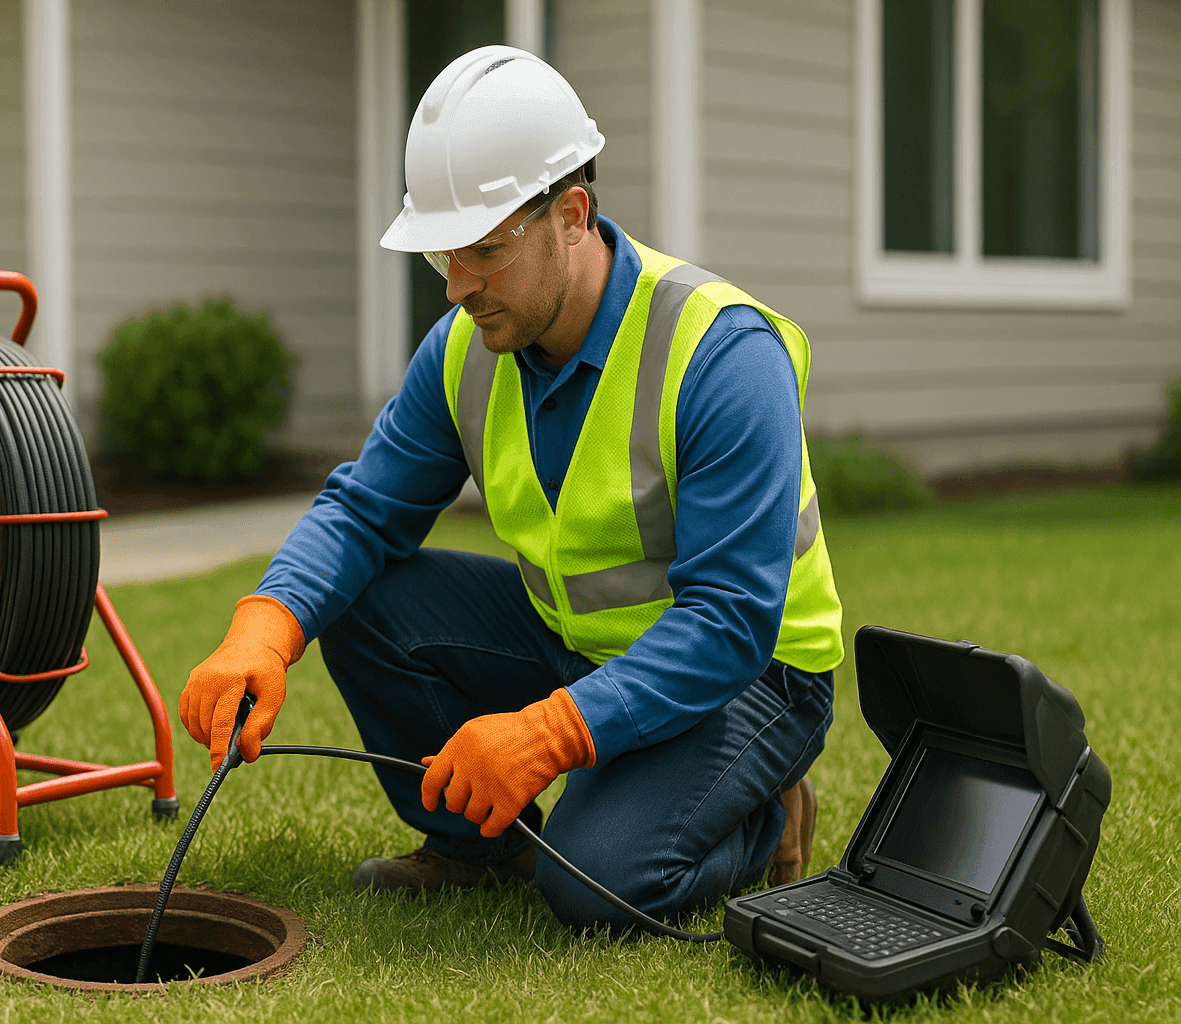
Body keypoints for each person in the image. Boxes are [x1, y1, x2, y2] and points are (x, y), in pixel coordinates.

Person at [178, 45, 844, 931]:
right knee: (362, 597)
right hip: (576, 640)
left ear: (572, 216)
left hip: (755, 675)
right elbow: (362, 513)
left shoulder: (722, 356)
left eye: (485, 251)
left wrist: (548, 733)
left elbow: (730, 622)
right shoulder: (467, 347)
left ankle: (761, 814)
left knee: (595, 883)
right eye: (442, 255)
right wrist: (264, 626)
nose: (458, 287)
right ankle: (480, 848)